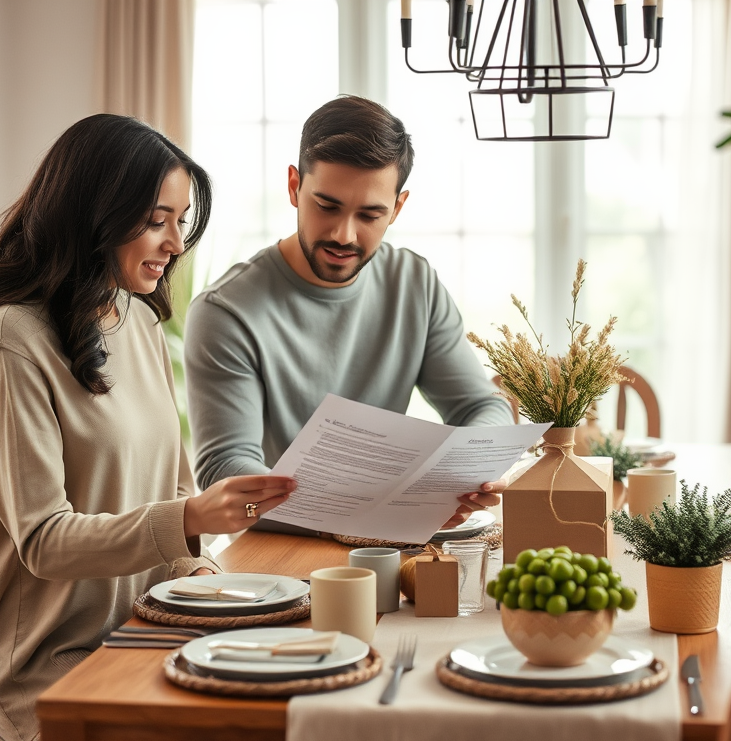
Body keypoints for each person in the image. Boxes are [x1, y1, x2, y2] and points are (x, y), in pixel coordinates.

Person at [0, 114, 295, 741]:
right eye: (156, 219)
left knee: (295, 719)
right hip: (51, 673)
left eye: (181, 222)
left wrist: (207, 582)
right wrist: (188, 519)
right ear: (95, 213)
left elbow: (168, 491)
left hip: (143, 631)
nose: (174, 243)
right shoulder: (12, 342)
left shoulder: (137, 321)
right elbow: (45, 541)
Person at [184, 95, 513, 535]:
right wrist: (378, 505)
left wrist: (469, 472)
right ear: (293, 187)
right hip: (279, 556)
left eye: (370, 214)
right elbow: (227, 470)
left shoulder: (414, 283)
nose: (344, 234)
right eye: (327, 206)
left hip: (390, 542)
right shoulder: (226, 312)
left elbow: (481, 406)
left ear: (397, 208)